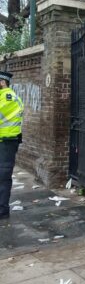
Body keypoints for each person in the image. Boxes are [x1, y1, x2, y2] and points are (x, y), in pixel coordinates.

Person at [0, 70, 24, 219]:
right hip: (5, 143)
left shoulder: (8, 98)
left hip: (6, 144)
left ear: (2, 82)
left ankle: (2, 210)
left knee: (2, 177)